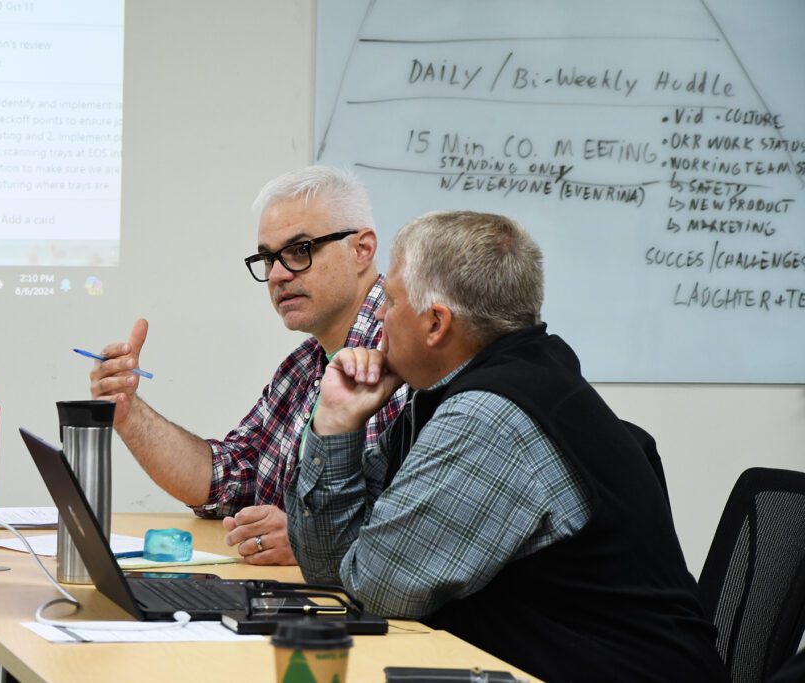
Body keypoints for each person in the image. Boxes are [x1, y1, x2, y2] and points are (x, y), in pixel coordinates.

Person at [286, 210, 728, 681]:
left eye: (390, 300)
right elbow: (335, 574)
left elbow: (372, 591)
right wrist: (335, 423)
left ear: (436, 323)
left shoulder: (489, 417)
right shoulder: (460, 391)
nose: (377, 315)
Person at [90, 166, 407, 566]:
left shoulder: (402, 357)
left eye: (300, 250)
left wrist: (309, 539)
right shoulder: (302, 366)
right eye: (267, 258)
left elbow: (416, 530)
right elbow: (226, 478)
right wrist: (129, 412)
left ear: (362, 249)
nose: (277, 274)